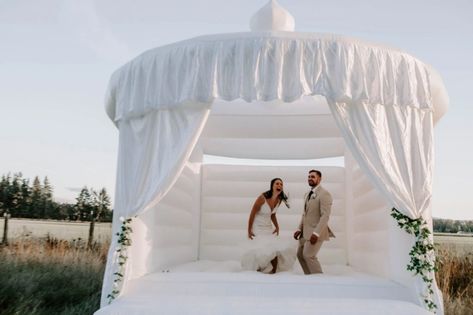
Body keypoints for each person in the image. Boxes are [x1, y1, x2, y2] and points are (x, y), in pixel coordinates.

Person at [241, 178, 296, 274]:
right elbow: (252, 213)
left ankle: (274, 273)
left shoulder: (279, 199)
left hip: (268, 227)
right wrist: (249, 230)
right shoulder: (262, 198)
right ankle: (257, 271)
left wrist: (277, 226)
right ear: (272, 186)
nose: (279, 185)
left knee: (273, 248)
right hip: (257, 226)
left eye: (281, 184)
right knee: (261, 249)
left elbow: (273, 214)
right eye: (277, 183)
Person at [293, 170, 335, 274]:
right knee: (300, 255)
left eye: (313, 177)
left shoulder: (324, 194)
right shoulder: (307, 194)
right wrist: (299, 228)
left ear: (319, 179)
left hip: (316, 232)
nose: (310, 178)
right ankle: (310, 279)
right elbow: (305, 214)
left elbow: (325, 216)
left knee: (308, 256)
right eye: (309, 177)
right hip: (304, 232)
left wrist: (316, 233)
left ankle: (319, 280)